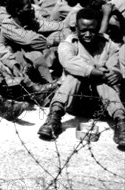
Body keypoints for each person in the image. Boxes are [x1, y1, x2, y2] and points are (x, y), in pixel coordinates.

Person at [38, 8, 125, 148]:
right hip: (74, 101)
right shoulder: (68, 44)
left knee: (102, 79)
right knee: (77, 75)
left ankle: (121, 122)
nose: (88, 34)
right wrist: (97, 71)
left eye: (93, 30)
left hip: (101, 104)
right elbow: (70, 62)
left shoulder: (107, 44)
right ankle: (54, 117)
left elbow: (114, 64)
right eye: (83, 30)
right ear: (76, 28)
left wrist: (116, 73)